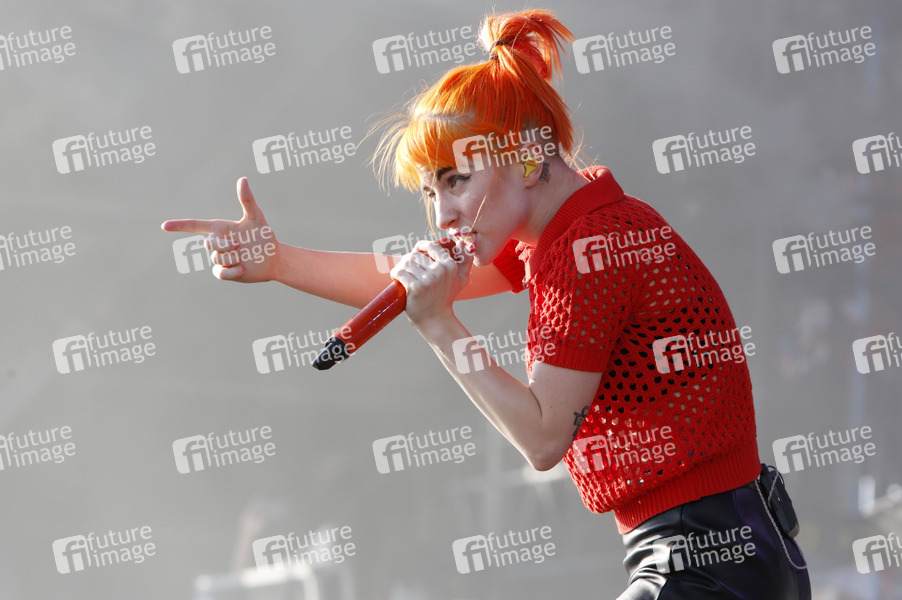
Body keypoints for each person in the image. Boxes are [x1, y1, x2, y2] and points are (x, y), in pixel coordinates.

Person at [162, 9, 810, 599]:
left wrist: (438, 324)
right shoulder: (563, 232)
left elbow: (543, 436)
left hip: (710, 559)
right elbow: (399, 277)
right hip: (716, 551)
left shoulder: (591, 245)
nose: (441, 213)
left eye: (455, 180)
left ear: (527, 158)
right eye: (430, 191)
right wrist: (280, 262)